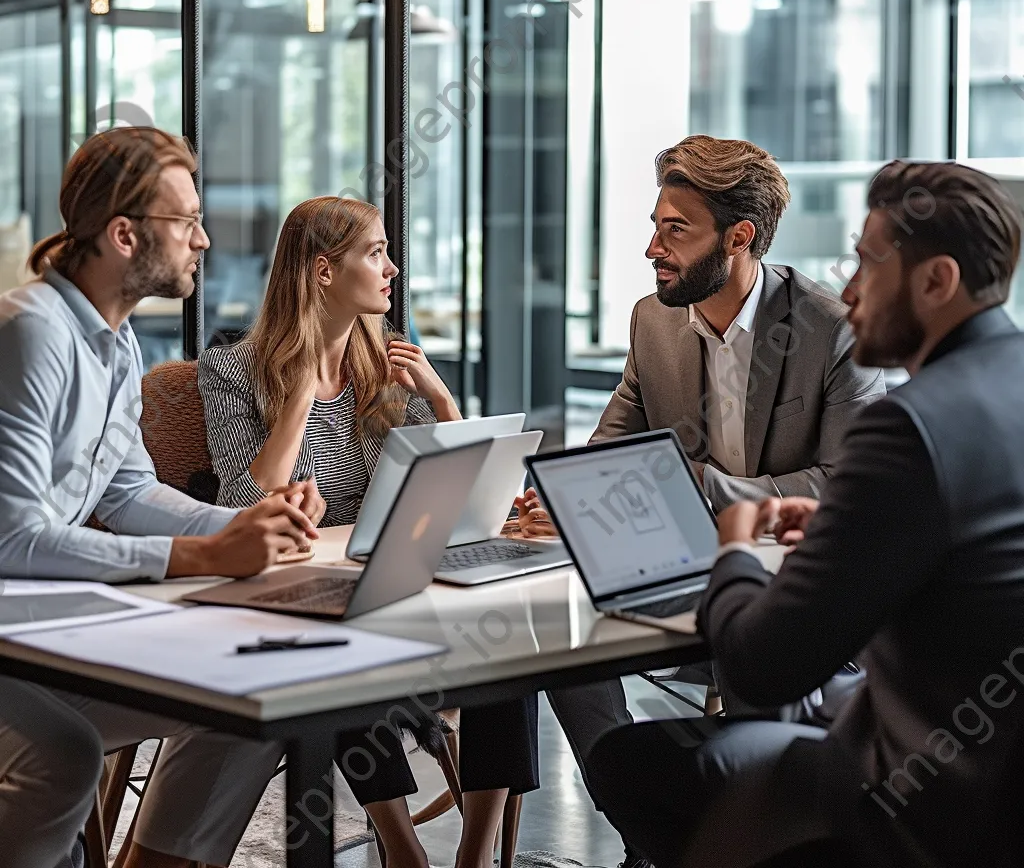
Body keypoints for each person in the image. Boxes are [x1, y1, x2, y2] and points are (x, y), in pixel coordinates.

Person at [586, 160, 1024, 868]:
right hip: (992, 774)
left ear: (936, 281)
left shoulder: (909, 427)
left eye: (867, 265)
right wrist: (844, 527)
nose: (849, 291)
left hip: (917, 788)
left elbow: (762, 669)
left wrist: (732, 549)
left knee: (628, 759)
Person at [510, 134, 885, 867]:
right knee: (552, 643)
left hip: (791, 584)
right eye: (655, 226)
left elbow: (849, 482)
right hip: (677, 566)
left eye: (675, 230)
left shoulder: (829, 327)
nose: (653, 247)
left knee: (760, 676)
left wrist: (703, 487)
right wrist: (564, 498)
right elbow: (612, 447)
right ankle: (649, 843)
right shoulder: (653, 321)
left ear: (739, 237)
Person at [0, 127, 323, 868]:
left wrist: (248, 523)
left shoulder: (113, 343)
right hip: (13, 635)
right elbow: (11, 538)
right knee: (61, 754)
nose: (204, 240)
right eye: (187, 222)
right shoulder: (31, 335)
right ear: (123, 235)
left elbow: (126, 488)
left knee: (244, 699)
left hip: (34, 628)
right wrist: (203, 554)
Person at [197, 195, 539, 868]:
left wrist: (440, 401)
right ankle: (402, 846)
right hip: (312, 586)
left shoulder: (387, 366)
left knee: (516, 641)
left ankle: (473, 857)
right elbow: (243, 499)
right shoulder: (230, 371)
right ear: (324, 271)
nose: (394, 270)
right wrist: (299, 394)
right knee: (344, 642)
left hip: (404, 574)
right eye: (376, 253)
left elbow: (463, 494)